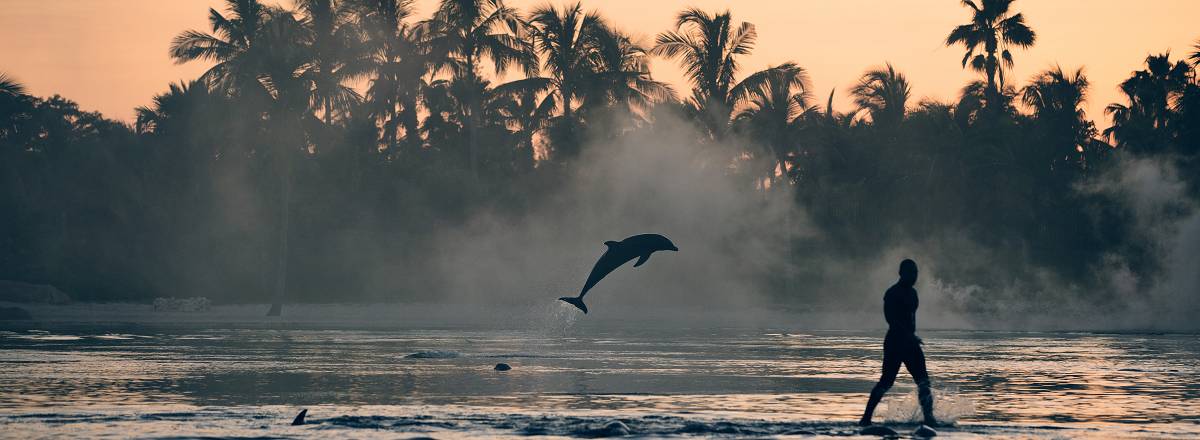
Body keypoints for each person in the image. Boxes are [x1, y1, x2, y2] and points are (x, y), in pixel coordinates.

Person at [859, 259, 938, 427]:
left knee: (923, 381)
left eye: (916, 273)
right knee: (887, 381)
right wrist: (909, 336)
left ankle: (929, 418)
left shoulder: (913, 293)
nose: (914, 276)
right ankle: (865, 418)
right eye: (911, 273)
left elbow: (911, 319)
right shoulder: (892, 293)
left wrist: (912, 337)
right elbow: (891, 320)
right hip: (895, 342)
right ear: (901, 273)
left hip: (910, 343)